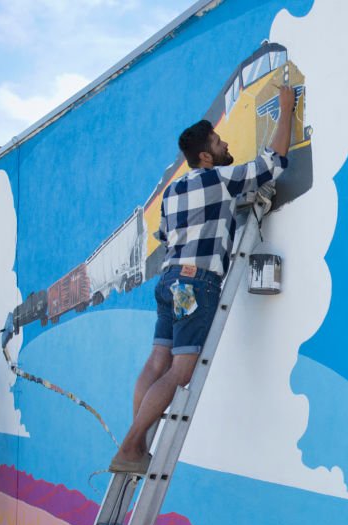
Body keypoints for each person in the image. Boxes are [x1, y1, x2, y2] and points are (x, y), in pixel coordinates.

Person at [108, 85, 297, 474]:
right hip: (195, 283)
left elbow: (162, 237)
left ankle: (136, 443)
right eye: (218, 140)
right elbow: (274, 161)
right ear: (206, 156)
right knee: (180, 371)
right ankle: (130, 446)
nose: (226, 142)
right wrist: (286, 107)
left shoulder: (174, 191)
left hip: (169, 282)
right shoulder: (220, 180)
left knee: (156, 361)